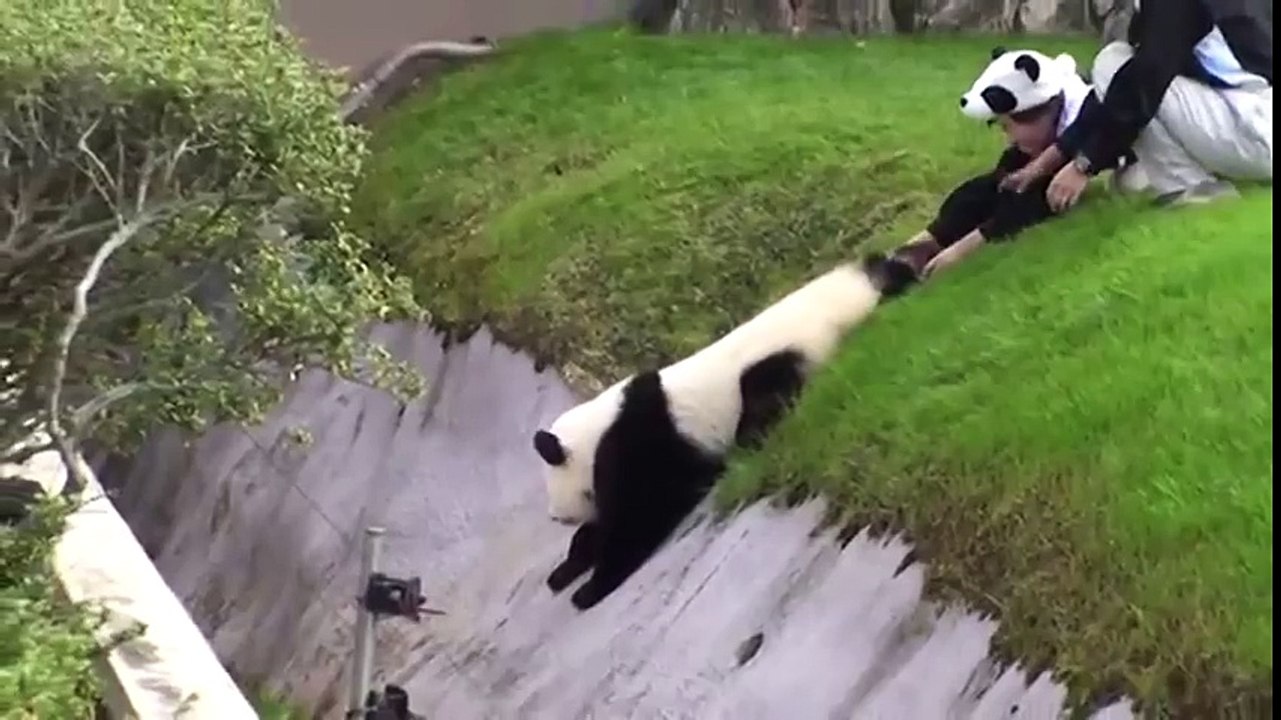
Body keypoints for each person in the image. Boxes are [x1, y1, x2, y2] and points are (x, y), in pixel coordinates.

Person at [881, 48, 1125, 291]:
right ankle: (909, 255)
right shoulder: (1052, 127)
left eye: (1008, 127)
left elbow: (1027, 207)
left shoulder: (1088, 120)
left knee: (1026, 199)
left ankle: (926, 262)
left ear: (1037, 114)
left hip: (1106, 166)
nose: (1008, 137)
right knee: (979, 192)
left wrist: (960, 252)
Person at [1045, 0, 1272, 210]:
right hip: (1255, 120)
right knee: (1126, 71)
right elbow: (1120, 90)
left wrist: (1085, 164)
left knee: (1112, 62)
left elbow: (1145, 79)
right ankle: (1178, 177)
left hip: (1256, 129)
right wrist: (1061, 152)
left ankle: (1190, 186)